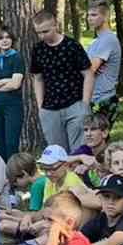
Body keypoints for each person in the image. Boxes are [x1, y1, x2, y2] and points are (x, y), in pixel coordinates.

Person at [29, 11, 93, 151]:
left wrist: (85, 104)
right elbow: (38, 79)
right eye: (38, 32)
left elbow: (88, 74)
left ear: (55, 25)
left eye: (46, 31)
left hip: (75, 105)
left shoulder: (72, 46)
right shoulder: (38, 49)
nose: (42, 36)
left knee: (80, 151)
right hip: (50, 109)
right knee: (58, 154)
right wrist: (40, 107)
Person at [0, 27, 26, 160]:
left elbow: (15, 84)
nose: (4, 40)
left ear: (12, 40)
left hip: (13, 105)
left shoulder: (17, 58)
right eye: (1, 38)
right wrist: (5, 80)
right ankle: (3, 175)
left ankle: (14, 175)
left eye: (7, 37)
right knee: (0, 143)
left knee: (11, 143)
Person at [85, 0, 123, 126]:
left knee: (99, 141)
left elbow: (90, 69)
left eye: (94, 15)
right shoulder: (95, 42)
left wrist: (88, 68)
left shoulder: (108, 39)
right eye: (88, 15)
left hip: (104, 100)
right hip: (93, 99)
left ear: (105, 16)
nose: (89, 18)